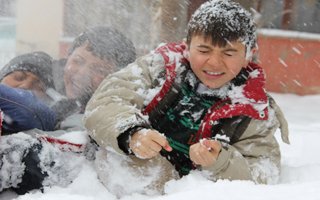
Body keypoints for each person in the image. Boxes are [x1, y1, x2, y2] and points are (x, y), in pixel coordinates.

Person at [84, 0, 290, 197]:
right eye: (203, 50)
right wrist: (132, 134)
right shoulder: (159, 68)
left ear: (248, 55)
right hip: (125, 173)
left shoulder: (254, 109)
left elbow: (265, 170)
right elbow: (107, 101)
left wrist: (220, 160)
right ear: (187, 46)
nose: (215, 63)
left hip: (193, 191)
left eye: (229, 53)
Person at [0, 26, 136, 194]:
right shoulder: (66, 106)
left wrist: (6, 155)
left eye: (98, 70)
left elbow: (60, 160)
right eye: (77, 61)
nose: (82, 73)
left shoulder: (105, 115)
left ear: (116, 78)